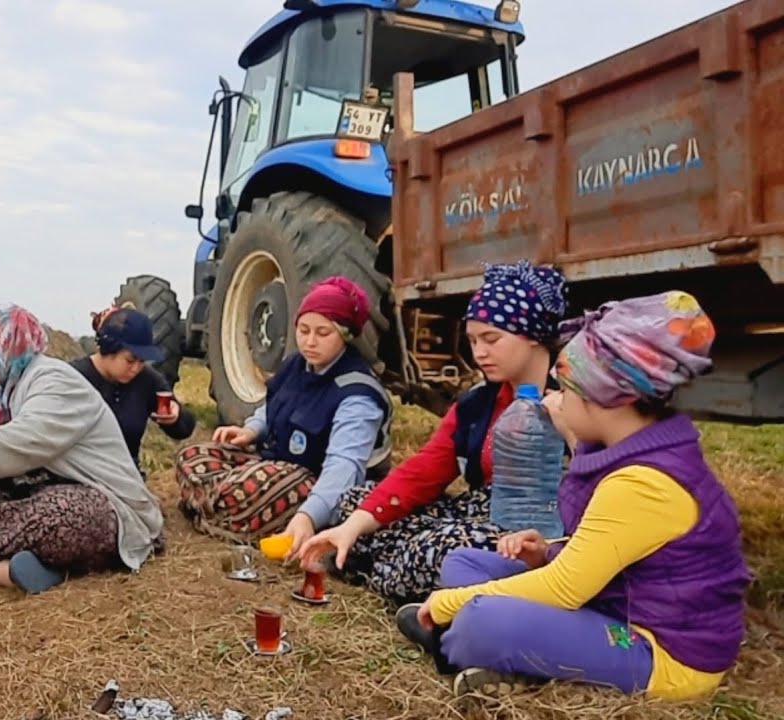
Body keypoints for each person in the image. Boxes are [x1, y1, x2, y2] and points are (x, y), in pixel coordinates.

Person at [397, 291, 750, 701]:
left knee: (480, 620)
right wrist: (548, 551)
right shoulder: (622, 451)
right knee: (464, 562)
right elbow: (624, 553)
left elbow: (565, 588)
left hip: (659, 650)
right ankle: (505, 653)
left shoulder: (645, 482)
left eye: (568, 390)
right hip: (614, 603)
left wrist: (446, 606)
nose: (557, 401)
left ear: (609, 398)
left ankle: (470, 645)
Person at [300, 261, 570, 603]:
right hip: (475, 511)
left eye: (491, 339)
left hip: (532, 528)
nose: (479, 353)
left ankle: (396, 569)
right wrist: (352, 526)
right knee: (355, 502)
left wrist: (570, 433)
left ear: (533, 336)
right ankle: (385, 561)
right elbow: (426, 469)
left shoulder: (575, 400)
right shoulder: (477, 404)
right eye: (472, 341)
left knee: (436, 548)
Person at [0, 303, 165, 594]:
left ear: (3, 347)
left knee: (64, 514)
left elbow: (21, 443)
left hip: (99, 500)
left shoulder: (54, 380)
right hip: (19, 502)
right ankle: (6, 572)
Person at [174, 276, 393, 556]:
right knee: (191, 455)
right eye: (303, 330)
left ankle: (210, 507)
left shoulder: (357, 394)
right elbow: (275, 404)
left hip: (320, 480)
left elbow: (344, 467)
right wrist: (251, 430)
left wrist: (309, 516)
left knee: (243, 487)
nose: (310, 341)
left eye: (323, 333)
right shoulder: (297, 364)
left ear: (345, 335)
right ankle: (221, 511)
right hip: (277, 460)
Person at [70, 306, 196, 470]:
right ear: (109, 349)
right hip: (76, 474)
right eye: (130, 360)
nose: (136, 368)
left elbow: (185, 428)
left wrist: (176, 419)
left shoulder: (147, 380)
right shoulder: (73, 378)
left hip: (125, 476)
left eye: (142, 361)